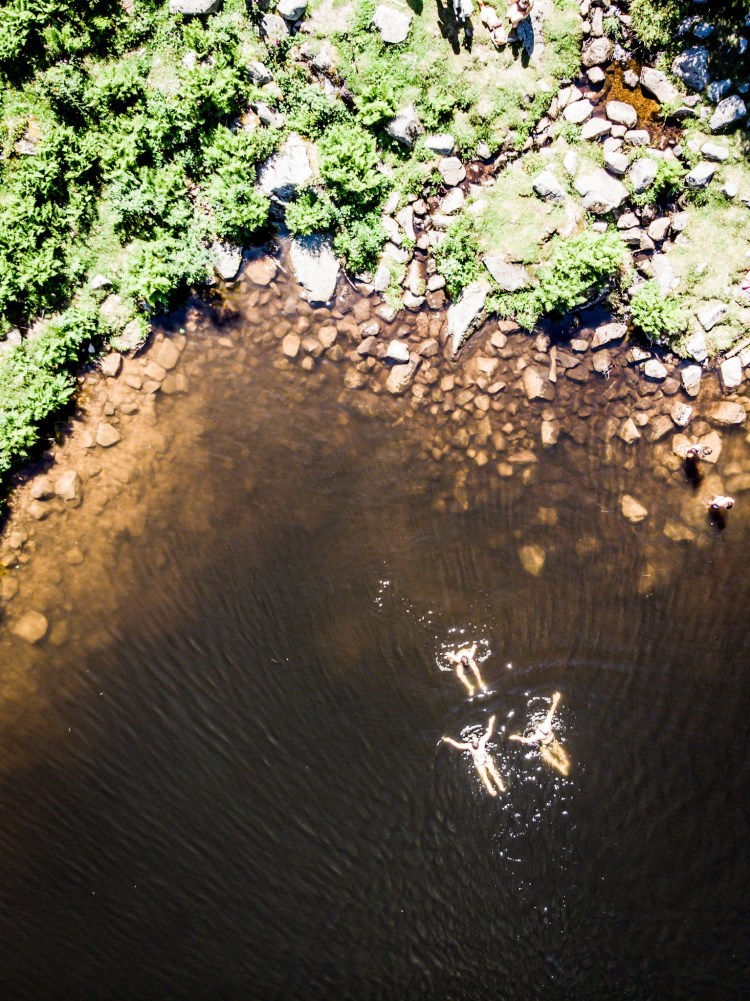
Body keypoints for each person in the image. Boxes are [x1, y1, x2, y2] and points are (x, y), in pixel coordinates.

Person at [442, 715, 506, 796]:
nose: (475, 744)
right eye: (474, 743)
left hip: (486, 759)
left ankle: (501, 786)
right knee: (484, 777)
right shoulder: (470, 745)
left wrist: (491, 722)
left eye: (475, 743)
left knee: (493, 772)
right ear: (472, 743)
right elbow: (458, 745)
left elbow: (489, 732)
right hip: (479, 763)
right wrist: (449, 740)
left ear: (477, 742)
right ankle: (491, 790)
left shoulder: (481, 741)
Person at [510, 692, 569, 775]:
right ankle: (567, 765)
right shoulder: (547, 724)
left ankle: (562, 769)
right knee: (561, 754)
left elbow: (526, 740)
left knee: (548, 757)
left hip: (545, 746)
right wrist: (556, 700)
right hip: (553, 741)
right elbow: (551, 711)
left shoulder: (538, 735)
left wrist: (515, 737)